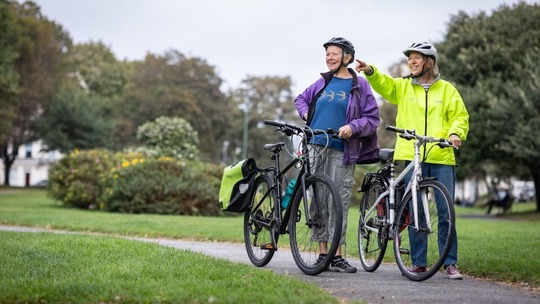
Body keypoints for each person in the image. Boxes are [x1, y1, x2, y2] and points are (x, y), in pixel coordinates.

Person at [355, 41, 469, 279]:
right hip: (412, 154)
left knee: (445, 212)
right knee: (416, 211)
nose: (412, 62)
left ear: (429, 62)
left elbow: (459, 116)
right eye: (410, 59)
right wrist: (370, 71)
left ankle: (450, 263)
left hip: (441, 155)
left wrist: (456, 133)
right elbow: (386, 85)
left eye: (417, 58)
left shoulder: (447, 90)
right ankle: (418, 262)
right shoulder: (404, 86)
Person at [294, 37, 380, 273]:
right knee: (319, 201)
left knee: (338, 202)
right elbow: (300, 99)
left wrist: (353, 127)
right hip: (315, 146)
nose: (330, 58)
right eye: (327, 54)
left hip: (342, 150)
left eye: (334, 54)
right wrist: (305, 114)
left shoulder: (359, 85)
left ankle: (337, 255)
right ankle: (323, 254)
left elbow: (372, 119)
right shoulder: (323, 82)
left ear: (347, 57)